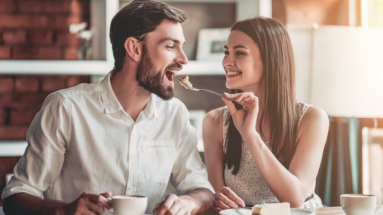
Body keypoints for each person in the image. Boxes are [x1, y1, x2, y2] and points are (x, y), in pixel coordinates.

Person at [2, 1, 214, 214]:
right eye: (170, 46)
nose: (183, 59)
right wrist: (64, 210)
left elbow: (202, 189)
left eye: (182, 46)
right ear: (134, 49)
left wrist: (190, 202)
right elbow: (15, 196)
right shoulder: (65, 108)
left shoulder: (175, 114)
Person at [202, 17, 329, 214]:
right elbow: (220, 199)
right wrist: (217, 199)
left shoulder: (312, 119)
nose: (227, 61)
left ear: (271, 59)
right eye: (226, 52)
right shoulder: (214, 122)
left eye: (240, 53)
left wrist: (250, 134)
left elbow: (294, 198)